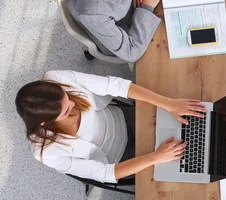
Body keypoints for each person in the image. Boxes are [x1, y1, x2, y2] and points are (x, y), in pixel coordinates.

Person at [15, 70, 205, 183]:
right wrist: (155, 157)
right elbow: (106, 173)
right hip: (123, 158)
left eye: (67, 98)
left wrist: (167, 103)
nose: (73, 105)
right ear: (45, 123)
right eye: (65, 112)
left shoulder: (55, 77)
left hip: (124, 117)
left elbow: (115, 86)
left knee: (197, 126)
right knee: (191, 164)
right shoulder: (47, 152)